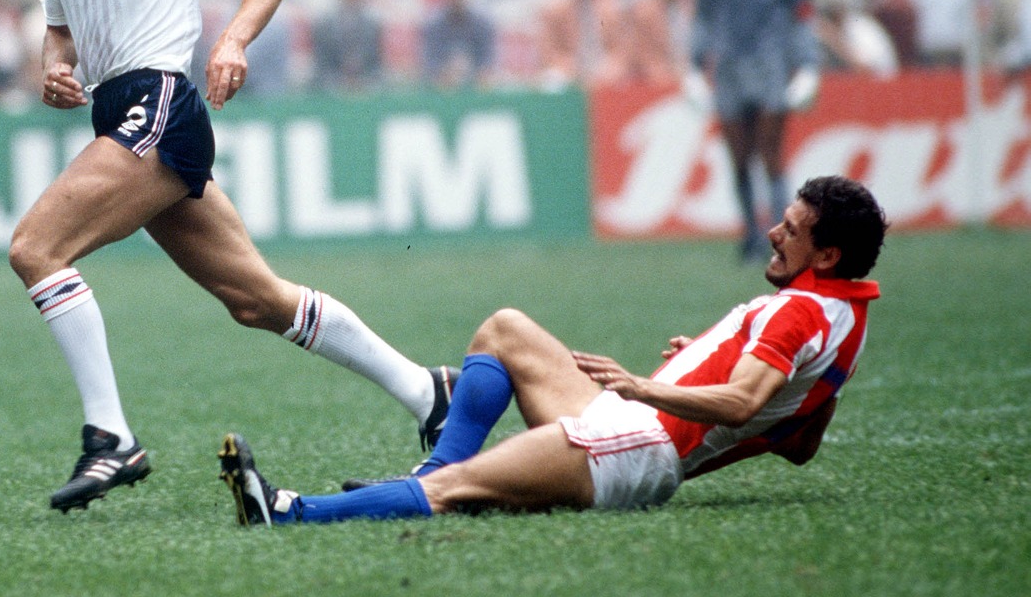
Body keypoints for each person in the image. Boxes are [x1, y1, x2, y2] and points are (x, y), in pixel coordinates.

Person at [13, 0, 455, 512]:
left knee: (35, 249)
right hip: (118, 112)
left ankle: (110, 437)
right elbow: (59, 30)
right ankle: (426, 390)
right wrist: (55, 67)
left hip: (160, 103)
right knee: (256, 300)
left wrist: (233, 41)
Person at [220, 175, 887, 527]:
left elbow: (741, 404)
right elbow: (799, 442)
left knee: (457, 493)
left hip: (640, 447)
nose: (773, 234)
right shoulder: (848, 317)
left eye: (792, 230)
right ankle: (432, 467)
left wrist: (646, 384)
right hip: (630, 424)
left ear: (827, 254)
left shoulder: (800, 310)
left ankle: (287, 512)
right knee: (505, 328)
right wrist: (705, 362)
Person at [690, 0, 818, 261]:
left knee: (771, 150)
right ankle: (749, 233)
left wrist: (808, 65)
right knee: (739, 155)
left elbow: (802, 15)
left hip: (770, 64)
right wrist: (695, 65)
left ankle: (782, 236)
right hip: (730, 66)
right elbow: (704, 16)